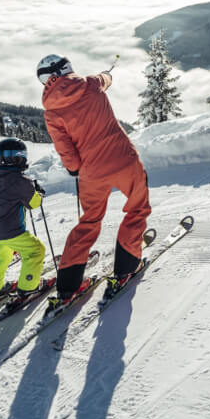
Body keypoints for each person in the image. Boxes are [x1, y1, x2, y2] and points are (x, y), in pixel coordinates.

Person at [36, 54, 151, 307]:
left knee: (88, 222)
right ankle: (126, 267)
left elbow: (65, 150)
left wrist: (76, 169)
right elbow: (105, 78)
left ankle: (68, 286)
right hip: (124, 160)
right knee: (137, 208)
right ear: (66, 69)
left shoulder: (52, 112)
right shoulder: (91, 83)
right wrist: (107, 74)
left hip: (91, 172)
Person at [0, 138, 46, 307]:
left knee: (2, 255)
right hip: (14, 231)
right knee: (35, 250)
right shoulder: (20, 180)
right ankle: (28, 288)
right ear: (19, 158)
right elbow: (33, 203)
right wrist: (39, 193)